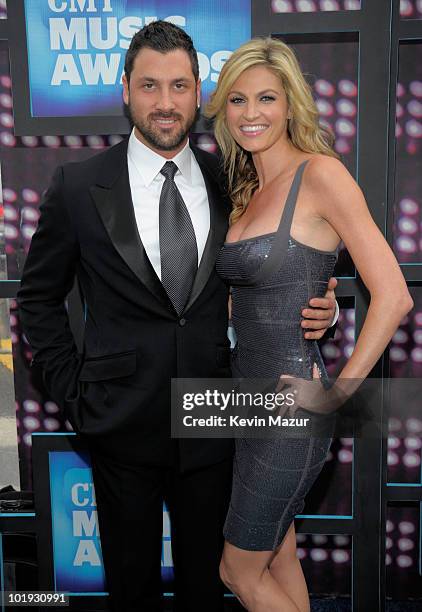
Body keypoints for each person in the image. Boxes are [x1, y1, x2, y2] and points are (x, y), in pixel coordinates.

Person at [17, 23, 338, 612]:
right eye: (149, 86)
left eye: (179, 86)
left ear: (197, 95)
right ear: (125, 91)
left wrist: (324, 301)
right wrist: (76, 390)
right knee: (132, 589)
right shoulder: (79, 184)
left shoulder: (234, 180)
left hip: (217, 418)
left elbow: (278, 264)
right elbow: (38, 300)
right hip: (120, 421)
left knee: (206, 588)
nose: (165, 103)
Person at [206, 37, 413, 612]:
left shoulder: (320, 175)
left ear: (291, 104)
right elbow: (249, 298)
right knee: (277, 558)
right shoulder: (245, 192)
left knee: (236, 571)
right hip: (244, 403)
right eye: (238, 100)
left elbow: (393, 296)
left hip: (290, 410)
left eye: (266, 98)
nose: (252, 114)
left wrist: (338, 393)